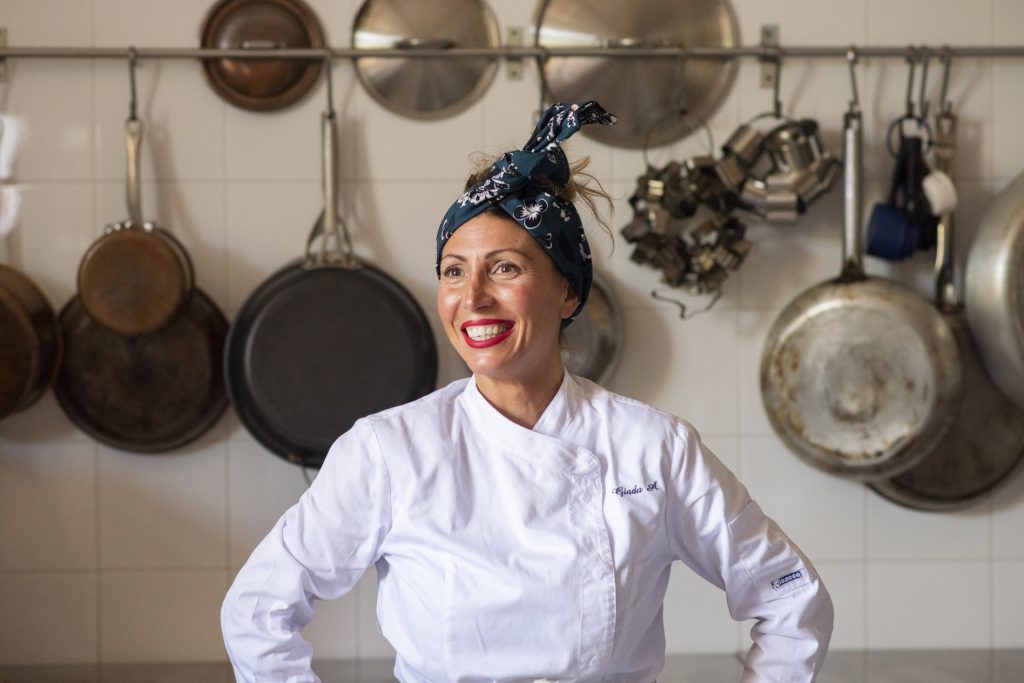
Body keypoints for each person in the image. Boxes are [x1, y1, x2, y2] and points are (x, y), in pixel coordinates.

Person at [221, 101, 834, 682]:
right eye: (454, 271)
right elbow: (257, 609)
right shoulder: (389, 450)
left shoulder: (653, 448)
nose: (473, 298)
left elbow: (790, 598)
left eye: (506, 268)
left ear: (568, 293)